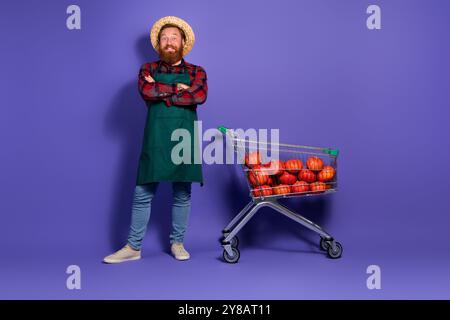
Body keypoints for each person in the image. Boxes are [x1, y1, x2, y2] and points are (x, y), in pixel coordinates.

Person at [103, 16, 208, 263]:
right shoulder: (147, 70)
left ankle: (178, 243)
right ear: (158, 44)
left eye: (174, 37)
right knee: (143, 191)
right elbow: (147, 92)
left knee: (182, 191)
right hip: (156, 137)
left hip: (185, 137)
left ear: (183, 42)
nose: (169, 42)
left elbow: (199, 96)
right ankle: (133, 247)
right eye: (164, 38)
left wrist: (163, 90)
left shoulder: (197, 71)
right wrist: (180, 90)